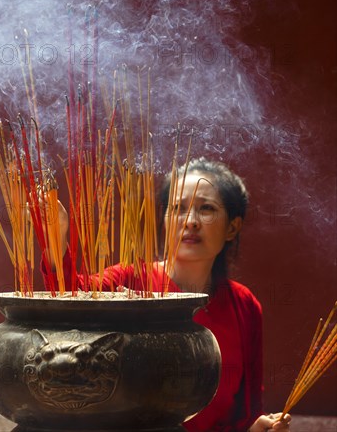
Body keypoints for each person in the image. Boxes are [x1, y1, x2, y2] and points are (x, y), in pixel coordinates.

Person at [42, 157, 291, 431]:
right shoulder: (130, 279)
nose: (191, 222)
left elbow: (247, 411)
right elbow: (67, 295)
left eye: (206, 208)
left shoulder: (244, 305)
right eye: (178, 209)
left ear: (232, 226)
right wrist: (57, 241)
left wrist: (258, 426)